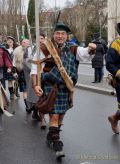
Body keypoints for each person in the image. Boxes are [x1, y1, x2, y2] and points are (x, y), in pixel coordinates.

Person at [31, 23, 96, 159]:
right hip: (50, 85)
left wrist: (91, 49)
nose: (60, 36)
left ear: (67, 36)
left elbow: (85, 54)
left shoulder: (73, 48)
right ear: (53, 35)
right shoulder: (45, 47)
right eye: (57, 33)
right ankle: (57, 143)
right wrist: (36, 85)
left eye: (63, 34)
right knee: (54, 115)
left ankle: (51, 135)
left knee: (61, 115)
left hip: (67, 87)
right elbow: (35, 67)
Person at [24, 33, 46, 129]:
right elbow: (26, 60)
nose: (40, 40)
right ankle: (35, 112)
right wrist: (35, 66)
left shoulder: (47, 49)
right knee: (35, 96)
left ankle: (42, 117)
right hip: (34, 75)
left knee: (43, 97)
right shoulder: (29, 49)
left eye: (42, 38)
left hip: (45, 75)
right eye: (38, 38)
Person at [106, 22, 120, 134]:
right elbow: (109, 64)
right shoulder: (116, 44)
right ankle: (114, 118)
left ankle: (114, 118)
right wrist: (118, 72)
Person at [13, 38, 30, 111]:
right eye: (23, 42)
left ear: (28, 44)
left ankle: (33, 105)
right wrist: (14, 72)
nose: (24, 44)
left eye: (25, 43)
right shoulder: (16, 51)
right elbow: (13, 62)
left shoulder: (31, 51)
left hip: (30, 73)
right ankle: (27, 106)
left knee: (32, 90)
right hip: (21, 72)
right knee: (25, 90)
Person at [0, 44, 13, 130]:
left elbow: (6, 58)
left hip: (0, 73)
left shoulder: (2, 48)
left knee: (1, 96)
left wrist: (8, 66)